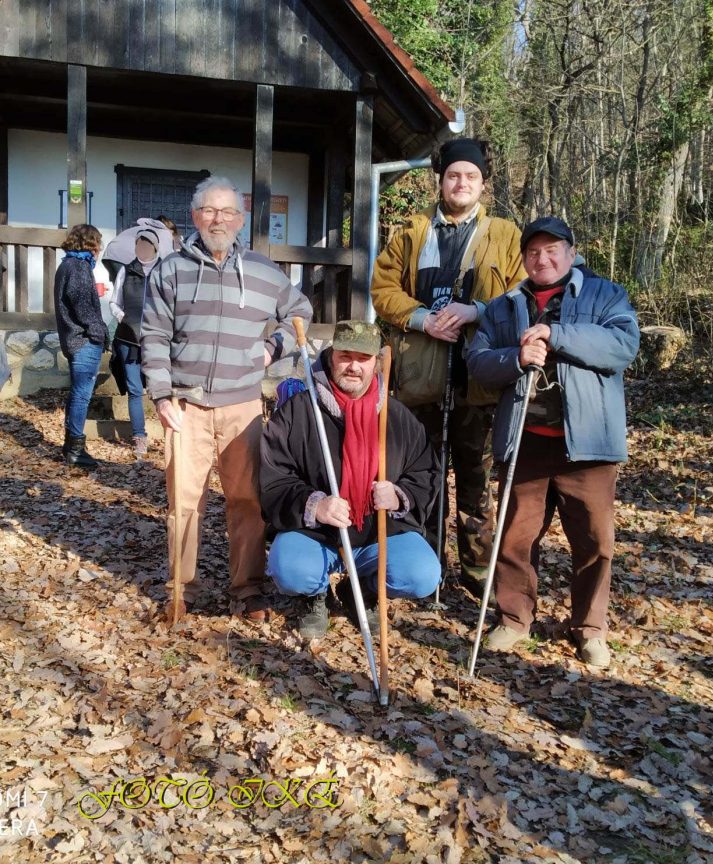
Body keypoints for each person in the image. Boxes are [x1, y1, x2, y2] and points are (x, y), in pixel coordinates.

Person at [466, 216, 640, 667]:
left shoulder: (606, 295)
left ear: (570, 252)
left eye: (552, 250)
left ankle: (590, 629)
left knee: (594, 541)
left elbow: (622, 346)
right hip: (525, 442)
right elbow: (479, 362)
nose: (542, 259)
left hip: (587, 446)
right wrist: (516, 357)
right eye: (533, 252)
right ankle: (513, 618)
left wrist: (555, 334)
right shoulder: (503, 306)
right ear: (524, 257)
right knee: (514, 537)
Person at [140, 176, 313, 621]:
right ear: (195, 216)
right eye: (209, 211)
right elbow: (154, 336)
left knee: (247, 500)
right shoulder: (169, 270)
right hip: (185, 404)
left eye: (227, 212)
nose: (218, 220)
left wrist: (274, 347)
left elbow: (300, 314)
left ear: (240, 218)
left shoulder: (262, 270)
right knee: (184, 501)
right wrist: (160, 396)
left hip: (242, 406)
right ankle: (182, 589)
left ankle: (247, 589)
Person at [371, 137, 526, 598]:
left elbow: (521, 291)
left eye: (471, 177)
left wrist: (477, 311)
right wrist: (423, 319)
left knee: (477, 482)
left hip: (477, 382)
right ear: (440, 180)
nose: (462, 183)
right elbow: (382, 289)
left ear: (483, 184)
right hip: (420, 380)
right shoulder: (411, 230)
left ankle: (479, 576)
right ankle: (426, 566)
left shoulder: (506, 235)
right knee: (424, 477)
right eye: (454, 175)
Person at [260, 321, 442, 640]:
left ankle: (363, 590)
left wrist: (400, 496)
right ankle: (314, 596)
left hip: (379, 530)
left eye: (364, 358)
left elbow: (426, 471)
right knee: (289, 567)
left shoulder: (397, 416)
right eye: (346, 356)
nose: (354, 366)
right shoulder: (299, 411)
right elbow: (273, 474)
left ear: (376, 363)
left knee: (422, 575)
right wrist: (314, 504)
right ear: (331, 357)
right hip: (315, 532)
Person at [54, 224, 109, 468]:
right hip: (84, 340)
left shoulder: (69, 265)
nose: (99, 248)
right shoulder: (77, 267)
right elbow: (81, 305)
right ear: (90, 243)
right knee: (81, 395)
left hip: (76, 338)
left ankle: (70, 445)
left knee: (78, 393)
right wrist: (99, 332)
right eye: (98, 242)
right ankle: (75, 449)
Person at [109, 228, 161, 458]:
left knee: (161, 389)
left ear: (155, 248)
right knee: (134, 389)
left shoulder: (165, 271)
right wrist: (124, 318)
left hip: (157, 341)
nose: (143, 249)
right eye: (139, 245)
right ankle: (139, 437)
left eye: (147, 245)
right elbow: (114, 302)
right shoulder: (126, 271)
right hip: (127, 339)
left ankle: (172, 436)